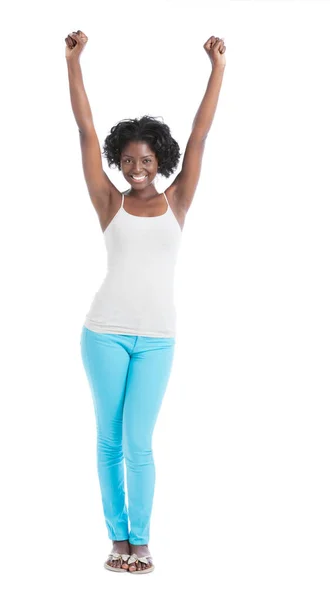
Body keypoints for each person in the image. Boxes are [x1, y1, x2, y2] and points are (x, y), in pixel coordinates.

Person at [65, 30, 226, 574]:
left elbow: (201, 138)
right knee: (109, 440)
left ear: (160, 160)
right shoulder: (107, 201)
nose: (136, 169)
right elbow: (85, 129)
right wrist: (74, 63)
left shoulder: (178, 200)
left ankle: (143, 538)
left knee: (140, 442)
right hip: (103, 333)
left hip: (157, 339)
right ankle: (118, 540)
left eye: (146, 160)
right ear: (118, 162)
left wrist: (217, 71)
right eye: (128, 161)